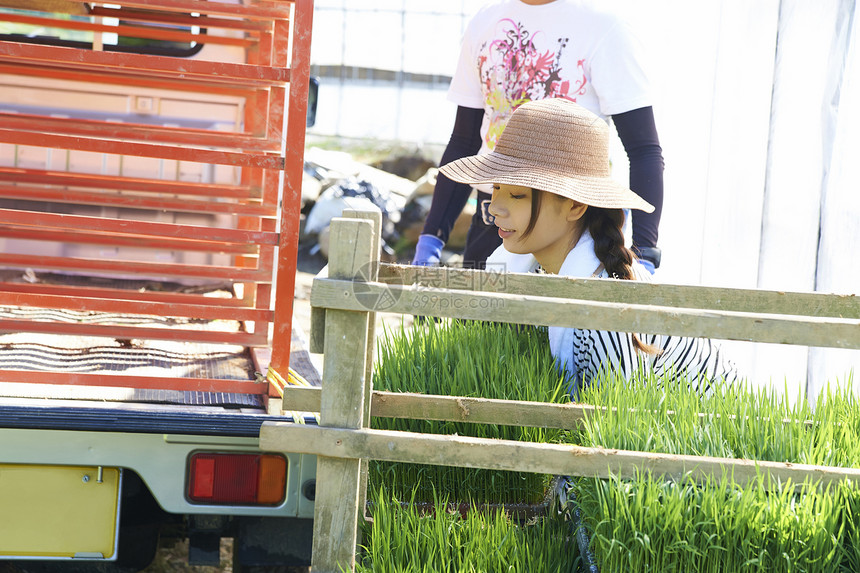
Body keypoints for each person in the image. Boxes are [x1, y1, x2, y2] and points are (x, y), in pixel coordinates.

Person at [438, 98, 736, 395]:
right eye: (496, 189)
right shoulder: (538, 272)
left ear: (576, 205)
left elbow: (620, 422)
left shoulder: (604, 309)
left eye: (517, 196)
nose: (496, 209)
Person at [413, 0, 664, 272]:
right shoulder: (484, 23)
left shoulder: (605, 27)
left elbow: (643, 150)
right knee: (479, 311)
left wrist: (646, 251)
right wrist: (431, 239)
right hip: (495, 219)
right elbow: (464, 141)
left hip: (570, 226)